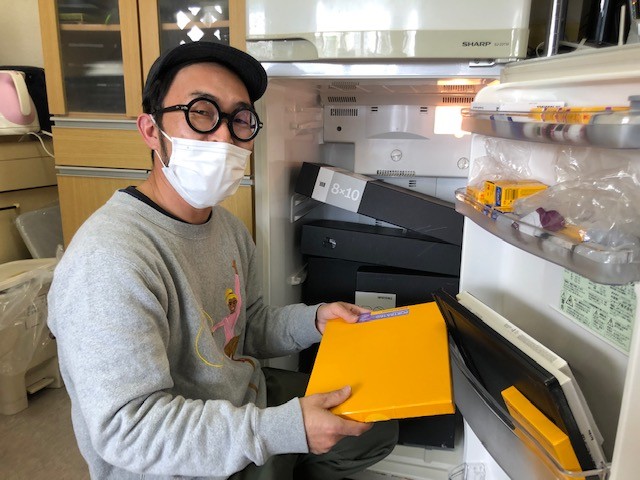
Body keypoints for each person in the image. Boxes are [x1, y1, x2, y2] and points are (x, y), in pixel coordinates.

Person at [47, 41, 398, 480]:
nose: (225, 137)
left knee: (376, 426)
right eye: (201, 113)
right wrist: (283, 430)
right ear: (151, 130)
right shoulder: (107, 260)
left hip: (242, 400)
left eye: (240, 119)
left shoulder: (226, 227)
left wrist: (315, 320)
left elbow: (246, 326)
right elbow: (129, 430)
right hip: (175, 462)